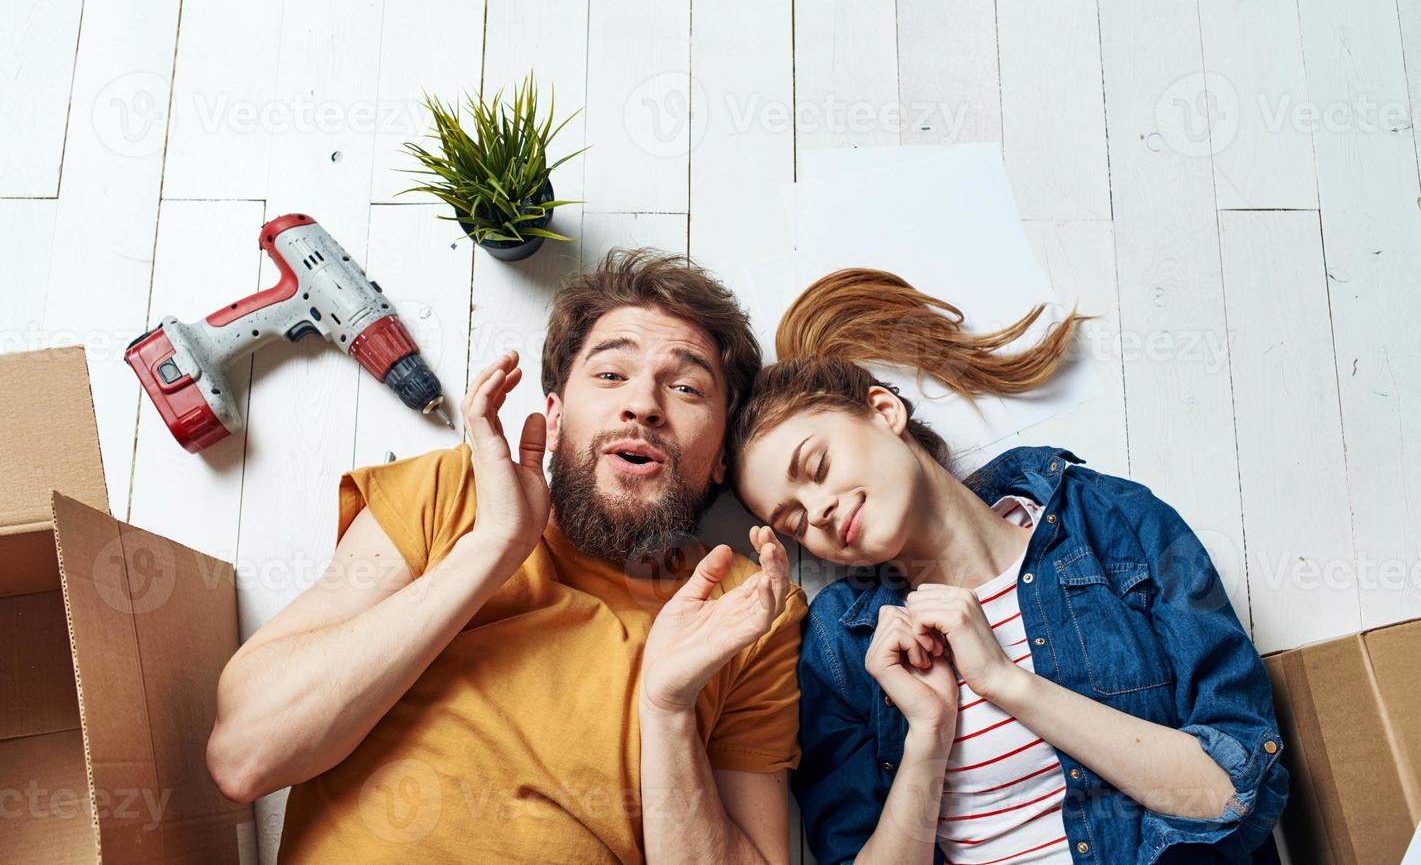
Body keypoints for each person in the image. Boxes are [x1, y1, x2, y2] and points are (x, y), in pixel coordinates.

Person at [205, 249, 806, 863]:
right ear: (554, 413)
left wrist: (670, 708)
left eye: (686, 387)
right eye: (609, 375)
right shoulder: (454, 490)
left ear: (722, 460)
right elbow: (246, 755)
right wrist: (492, 548)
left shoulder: (747, 605)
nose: (643, 404)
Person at [728, 268, 1288, 864]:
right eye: (793, 523)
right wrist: (928, 734)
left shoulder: (1109, 523)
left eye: (816, 467)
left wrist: (1003, 680)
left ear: (884, 410)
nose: (819, 512)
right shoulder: (846, 646)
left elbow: (1232, 792)